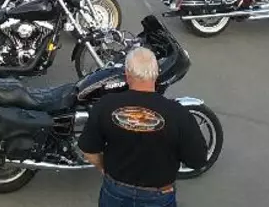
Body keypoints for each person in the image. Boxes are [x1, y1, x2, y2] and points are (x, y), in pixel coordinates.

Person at [78, 47, 208, 207]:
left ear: (127, 74)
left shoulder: (105, 105)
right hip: (159, 195)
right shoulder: (178, 113)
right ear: (156, 74)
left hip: (115, 191)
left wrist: (104, 168)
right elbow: (198, 160)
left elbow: (88, 149)